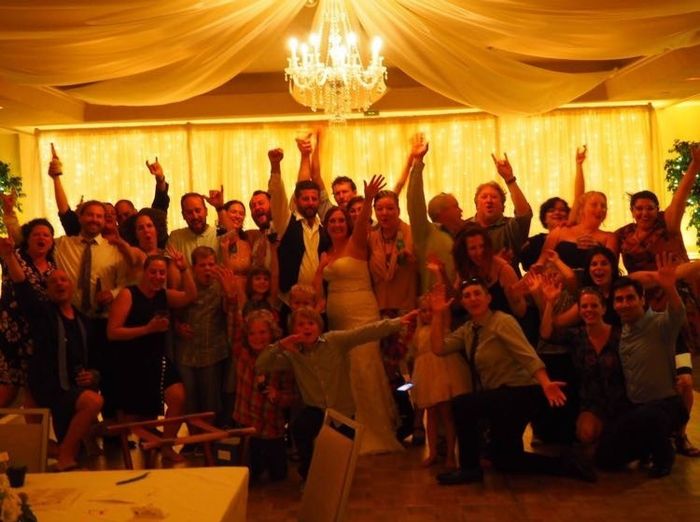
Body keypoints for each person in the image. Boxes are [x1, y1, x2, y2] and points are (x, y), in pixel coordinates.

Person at [430, 278, 595, 485]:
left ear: (488, 298)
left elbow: (527, 354)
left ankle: (469, 469)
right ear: (462, 302)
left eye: (477, 293)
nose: (472, 299)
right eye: (467, 296)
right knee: (505, 459)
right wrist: (437, 313)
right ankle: (566, 464)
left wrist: (545, 383)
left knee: (463, 404)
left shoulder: (502, 321)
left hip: (522, 392)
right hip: (503, 397)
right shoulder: (468, 329)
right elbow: (439, 348)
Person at [256, 306, 417, 479]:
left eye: (311, 323)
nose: (306, 327)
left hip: (343, 410)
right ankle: (309, 474)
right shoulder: (292, 355)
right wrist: (280, 345)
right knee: (300, 428)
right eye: (300, 324)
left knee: (342, 455)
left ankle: (338, 479)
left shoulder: (334, 341)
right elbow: (261, 365)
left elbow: (365, 333)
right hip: (316, 409)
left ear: (319, 326)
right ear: (293, 330)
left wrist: (397, 322)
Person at [615, 144, 700, 457]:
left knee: (684, 379)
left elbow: (681, 196)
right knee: (654, 381)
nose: (644, 213)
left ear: (657, 209)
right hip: (643, 315)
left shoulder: (668, 224)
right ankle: (653, 436)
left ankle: (681, 433)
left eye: (649, 207)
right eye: (639, 208)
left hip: (675, 311)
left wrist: (694, 166)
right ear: (632, 211)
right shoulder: (622, 234)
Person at [317, 175, 404, 454]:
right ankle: (351, 430)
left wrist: (368, 199)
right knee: (346, 376)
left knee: (365, 369)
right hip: (336, 318)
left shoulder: (356, 243)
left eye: (341, 221)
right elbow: (318, 286)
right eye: (332, 222)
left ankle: (374, 431)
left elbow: (364, 219)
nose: (337, 225)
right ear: (326, 225)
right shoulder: (326, 253)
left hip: (361, 312)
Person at [1, 238, 102, 471]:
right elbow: (22, 284)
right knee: (93, 402)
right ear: (47, 290)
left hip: (72, 387)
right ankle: (65, 456)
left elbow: (95, 360)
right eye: (53, 281)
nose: (59, 283)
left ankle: (63, 451)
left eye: (63, 280)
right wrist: (9, 256)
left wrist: (93, 375)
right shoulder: (41, 313)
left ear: (72, 286)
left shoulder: (83, 321)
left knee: (80, 441)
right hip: (48, 386)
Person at [596, 260, 689, 477]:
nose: (624, 304)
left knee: (649, 415)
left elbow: (677, 314)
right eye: (619, 300)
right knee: (604, 458)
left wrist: (669, 287)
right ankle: (647, 446)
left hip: (666, 406)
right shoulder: (621, 332)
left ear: (642, 299)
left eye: (630, 298)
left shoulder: (660, 324)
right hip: (636, 408)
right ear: (614, 305)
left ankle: (664, 455)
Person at [107, 252, 196, 462]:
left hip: (158, 357)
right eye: (153, 272)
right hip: (131, 360)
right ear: (144, 272)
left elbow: (190, 296)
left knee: (178, 397)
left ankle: (166, 446)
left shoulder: (163, 295)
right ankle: (93, 434)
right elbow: (112, 332)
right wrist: (147, 329)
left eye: (162, 273)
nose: (157, 277)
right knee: (132, 420)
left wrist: (184, 269)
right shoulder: (128, 294)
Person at [540, 283, 628, 448]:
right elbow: (546, 334)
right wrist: (550, 302)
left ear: (603, 309)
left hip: (621, 401)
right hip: (591, 403)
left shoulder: (620, 334)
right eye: (584, 306)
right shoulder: (576, 336)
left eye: (594, 305)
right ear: (579, 311)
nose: (589, 310)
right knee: (586, 433)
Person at [367, 189, 418, 440]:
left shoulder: (408, 232)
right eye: (380, 209)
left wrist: (407, 257)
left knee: (410, 364)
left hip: (406, 306)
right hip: (381, 308)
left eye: (390, 208)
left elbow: (413, 262)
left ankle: (418, 418)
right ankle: (404, 411)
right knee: (390, 368)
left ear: (398, 209)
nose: (385, 213)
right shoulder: (372, 237)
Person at [232, 310, 295, 482]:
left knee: (278, 477)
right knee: (249, 477)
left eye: (262, 332)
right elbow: (234, 328)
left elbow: (291, 397)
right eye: (252, 333)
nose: (257, 337)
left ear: (272, 333)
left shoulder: (282, 362)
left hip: (271, 430)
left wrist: (277, 395)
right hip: (248, 429)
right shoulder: (242, 353)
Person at [408, 293, 469, 467]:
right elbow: (416, 353)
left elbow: (445, 316)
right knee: (431, 415)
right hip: (426, 374)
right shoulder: (419, 331)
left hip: (443, 372)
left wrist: (440, 309)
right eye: (423, 311)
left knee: (447, 415)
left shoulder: (443, 326)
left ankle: (450, 454)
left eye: (431, 310)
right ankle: (433, 452)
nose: (427, 314)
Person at [0, 219, 56, 408]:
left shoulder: (54, 265)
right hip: (12, 329)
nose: (41, 238)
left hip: (38, 331)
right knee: (8, 386)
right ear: (28, 239)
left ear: (52, 241)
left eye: (46, 235)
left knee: (34, 387)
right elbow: (19, 279)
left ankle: (35, 429)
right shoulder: (14, 255)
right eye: (36, 234)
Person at [173, 247, 232, 426]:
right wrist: (178, 327)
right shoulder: (186, 284)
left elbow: (229, 310)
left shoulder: (221, 286)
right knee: (190, 401)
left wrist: (229, 292)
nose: (207, 269)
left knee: (210, 402)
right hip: (186, 353)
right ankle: (193, 438)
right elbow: (172, 312)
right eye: (203, 265)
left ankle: (209, 438)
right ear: (194, 267)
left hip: (212, 352)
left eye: (211, 264)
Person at [269, 148, 330, 298]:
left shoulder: (324, 228)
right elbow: (277, 196)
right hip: (290, 301)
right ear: (296, 201)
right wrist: (275, 166)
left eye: (314, 199)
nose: (310, 203)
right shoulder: (285, 222)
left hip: (317, 300)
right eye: (305, 199)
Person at [406, 135, 461, 293]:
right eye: (455, 206)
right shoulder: (426, 233)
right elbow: (414, 201)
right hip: (435, 302)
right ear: (440, 212)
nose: (461, 210)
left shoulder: (464, 234)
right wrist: (418, 163)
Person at [520, 146, 586, 271]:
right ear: (544, 218)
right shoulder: (536, 242)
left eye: (562, 210)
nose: (557, 213)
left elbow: (579, 198)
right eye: (551, 210)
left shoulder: (575, 233)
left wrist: (579, 165)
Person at [466, 152, 533, 270]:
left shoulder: (510, 227)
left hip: (508, 281)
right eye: (484, 197)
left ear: (503, 207)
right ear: (476, 205)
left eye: (494, 197)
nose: (489, 200)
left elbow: (524, 215)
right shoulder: (465, 228)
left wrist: (509, 179)